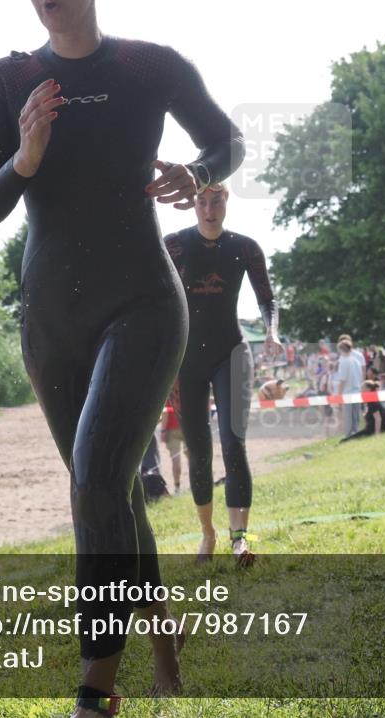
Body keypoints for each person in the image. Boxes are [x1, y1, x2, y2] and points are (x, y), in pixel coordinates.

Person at [0, 0, 243, 707]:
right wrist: (23, 159)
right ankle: (162, 636)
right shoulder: (6, 80)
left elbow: (227, 138)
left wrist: (199, 171)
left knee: (93, 480)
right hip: (51, 320)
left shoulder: (148, 66)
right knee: (108, 492)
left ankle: (96, 687)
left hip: (143, 300)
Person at [164, 182, 281, 568]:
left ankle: (239, 538)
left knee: (233, 443)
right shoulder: (174, 244)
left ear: (226, 202)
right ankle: (207, 533)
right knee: (199, 450)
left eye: (216, 200)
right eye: (201, 201)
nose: (209, 209)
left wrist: (272, 332)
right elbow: (151, 291)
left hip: (231, 352)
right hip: (185, 360)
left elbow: (267, 297)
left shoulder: (244, 247)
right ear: (192, 204)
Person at [335, 340, 364, 438]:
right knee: (355, 416)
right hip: (357, 390)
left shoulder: (343, 362)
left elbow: (342, 380)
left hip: (348, 392)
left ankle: (349, 435)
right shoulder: (356, 361)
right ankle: (355, 433)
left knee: (348, 417)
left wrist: (338, 395)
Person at [160, 398, 183, 494]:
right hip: (188, 427)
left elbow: (165, 412)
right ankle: (195, 485)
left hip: (172, 429)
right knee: (192, 458)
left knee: (175, 459)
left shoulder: (169, 386)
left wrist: (163, 430)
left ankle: (177, 487)